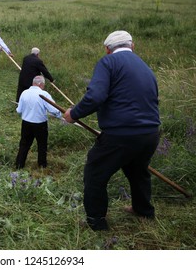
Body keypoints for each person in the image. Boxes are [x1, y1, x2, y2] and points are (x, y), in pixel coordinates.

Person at [63, 30, 161, 231]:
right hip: (150, 133)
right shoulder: (145, 67)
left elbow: (96, 96)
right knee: (138, 171)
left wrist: (74, 114)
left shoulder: (108, 63)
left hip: (121, 135)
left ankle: (96, 222)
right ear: (132, 46)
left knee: (95, 174)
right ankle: (143, 211)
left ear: (108, 50)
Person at [16, 75, 62, 169]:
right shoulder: (44, 94)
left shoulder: (24, 93)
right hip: (40, 124)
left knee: (24, 144)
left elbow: (19, 110)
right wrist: (60, 115)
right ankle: (42, 166)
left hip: (26, 123)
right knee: (42, 145)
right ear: (40, 84)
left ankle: (19, 165)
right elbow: (53, 109)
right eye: (44, 85)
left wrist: (25, 114)